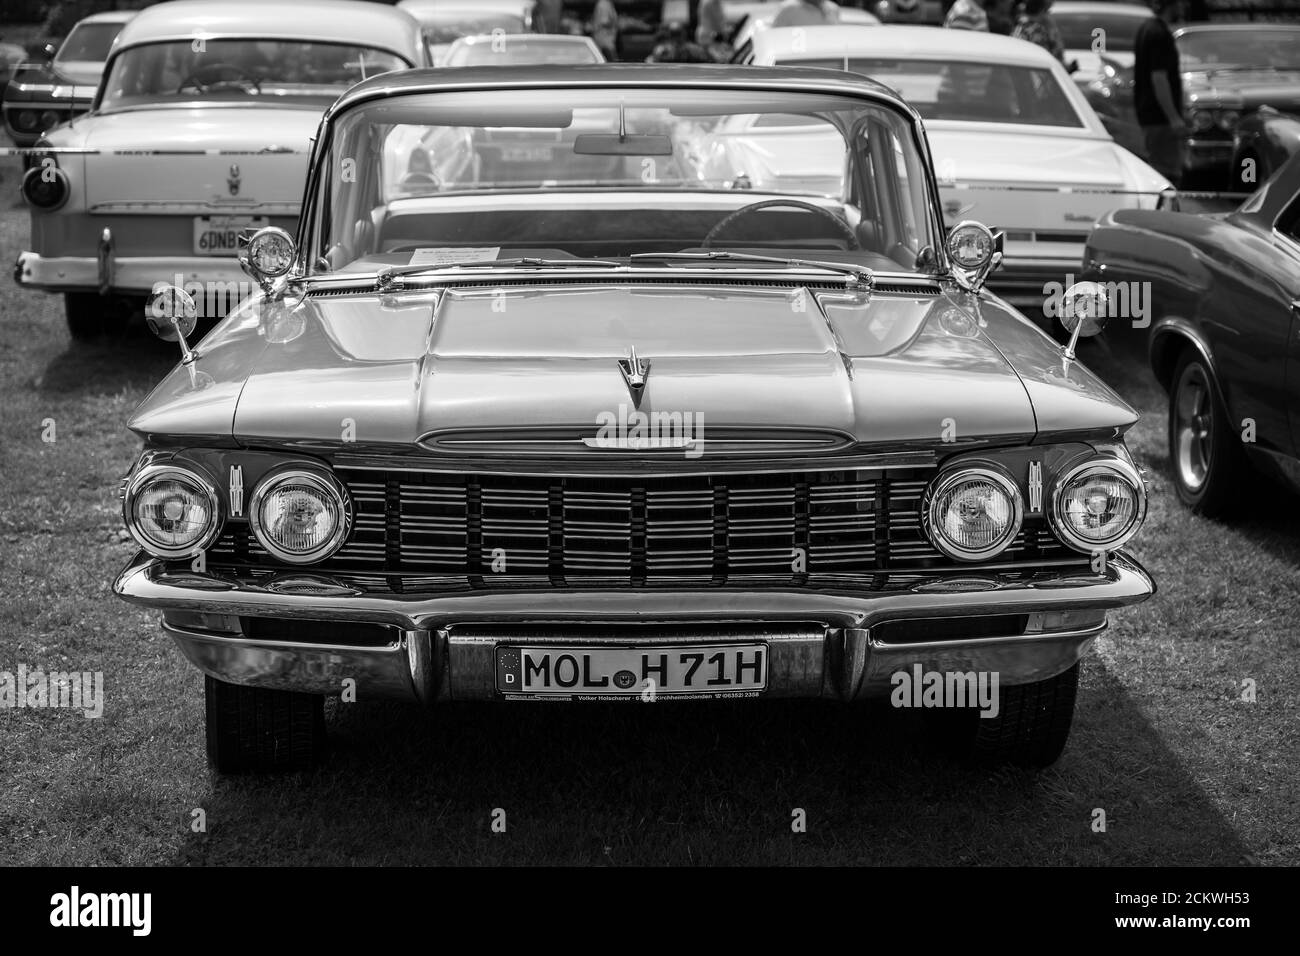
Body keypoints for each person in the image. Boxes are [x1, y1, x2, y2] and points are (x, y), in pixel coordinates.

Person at [1133, 0, 1187, 186]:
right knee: (1167, 175)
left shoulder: (1146, 28)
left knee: (1158, 168)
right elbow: (1159, 78)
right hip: (1160, 117)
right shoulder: (1159, 34)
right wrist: (1173, 117)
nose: (1182, 7)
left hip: (1149, 113)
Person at [1012, 0, 1068, 65]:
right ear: (1041, 11)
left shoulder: (1019, 26)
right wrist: (1052, 30)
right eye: (1047, 11)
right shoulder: (1037, 31)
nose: (1049, 15)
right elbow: (1056, 55)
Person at [645, 21, 712, 63]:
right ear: (684, 34)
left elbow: (649, 62)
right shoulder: (696, 50)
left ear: (668, 35)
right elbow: (709, 62)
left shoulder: (660, 51)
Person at [771, 0, 840, 28]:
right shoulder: (788, 9)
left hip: (825, 57)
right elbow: (775, 38)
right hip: (796, 57)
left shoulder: (833, 9)